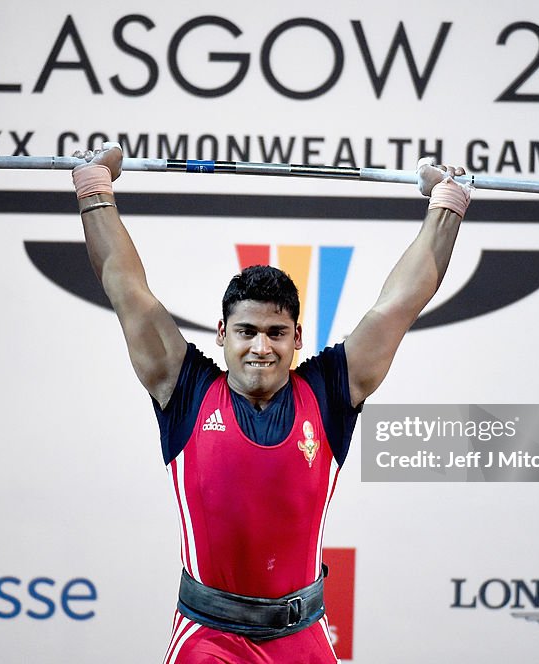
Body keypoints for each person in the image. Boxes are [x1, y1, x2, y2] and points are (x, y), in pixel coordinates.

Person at [72, 144, 471, 663]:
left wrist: (448, 202)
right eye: (247, 332)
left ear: (297, 337)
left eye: (276, 333)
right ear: (221, 334)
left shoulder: (329, 393)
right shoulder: (184, 388)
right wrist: (94, 189)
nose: (261, 347)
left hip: (303, 637)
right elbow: (126, 289)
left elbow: (399, 304)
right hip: (208, 639)